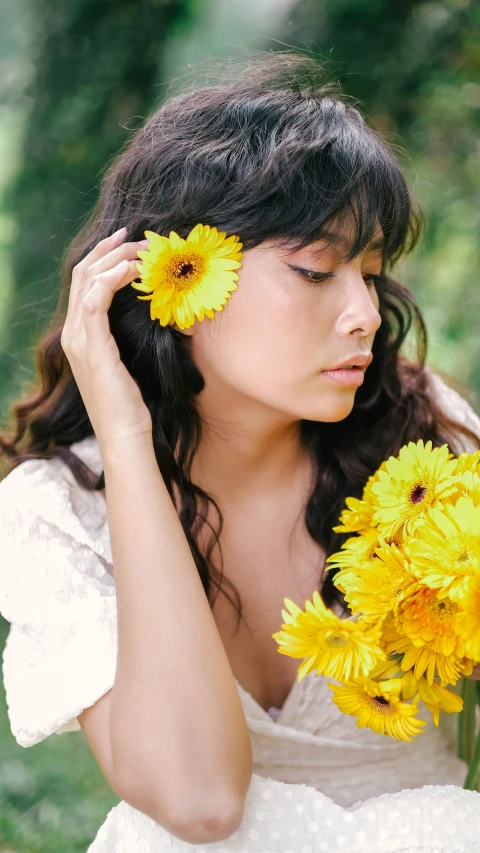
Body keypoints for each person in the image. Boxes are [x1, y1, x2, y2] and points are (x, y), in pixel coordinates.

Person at [1, 51, 480, 852]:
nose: (365, 313)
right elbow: (199, 803)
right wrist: (126, 443)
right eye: (315, 269)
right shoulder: (56, 512)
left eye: (371, 272)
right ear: (180, 280)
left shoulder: (425, 440)